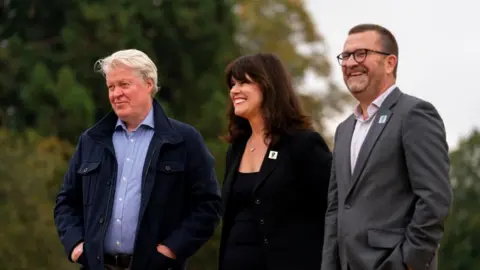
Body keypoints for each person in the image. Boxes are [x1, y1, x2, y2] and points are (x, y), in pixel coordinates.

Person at [53, 49, 221, 270]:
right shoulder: (91, 141)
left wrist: (171, 250)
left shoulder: (184, 140)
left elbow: (208, 206)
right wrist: (76, 246)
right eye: (111, 87)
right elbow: (65, 202)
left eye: (124, 84)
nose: (116, 94)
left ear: (149, 84)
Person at [321, 24, 453, 270]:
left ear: (390, 63)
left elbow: (434, 199)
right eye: (346, 56)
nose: (350, 63)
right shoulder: (343, 130)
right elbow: (335, 209)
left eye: (361, 53)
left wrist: (409, 261)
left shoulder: (414, 114)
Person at [218, 52, 332, 270]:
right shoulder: (236, 149)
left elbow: (332, 209)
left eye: (243, 82)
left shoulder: (303, 144)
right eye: (232, 84)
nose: (234, 91)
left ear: (268, 85)